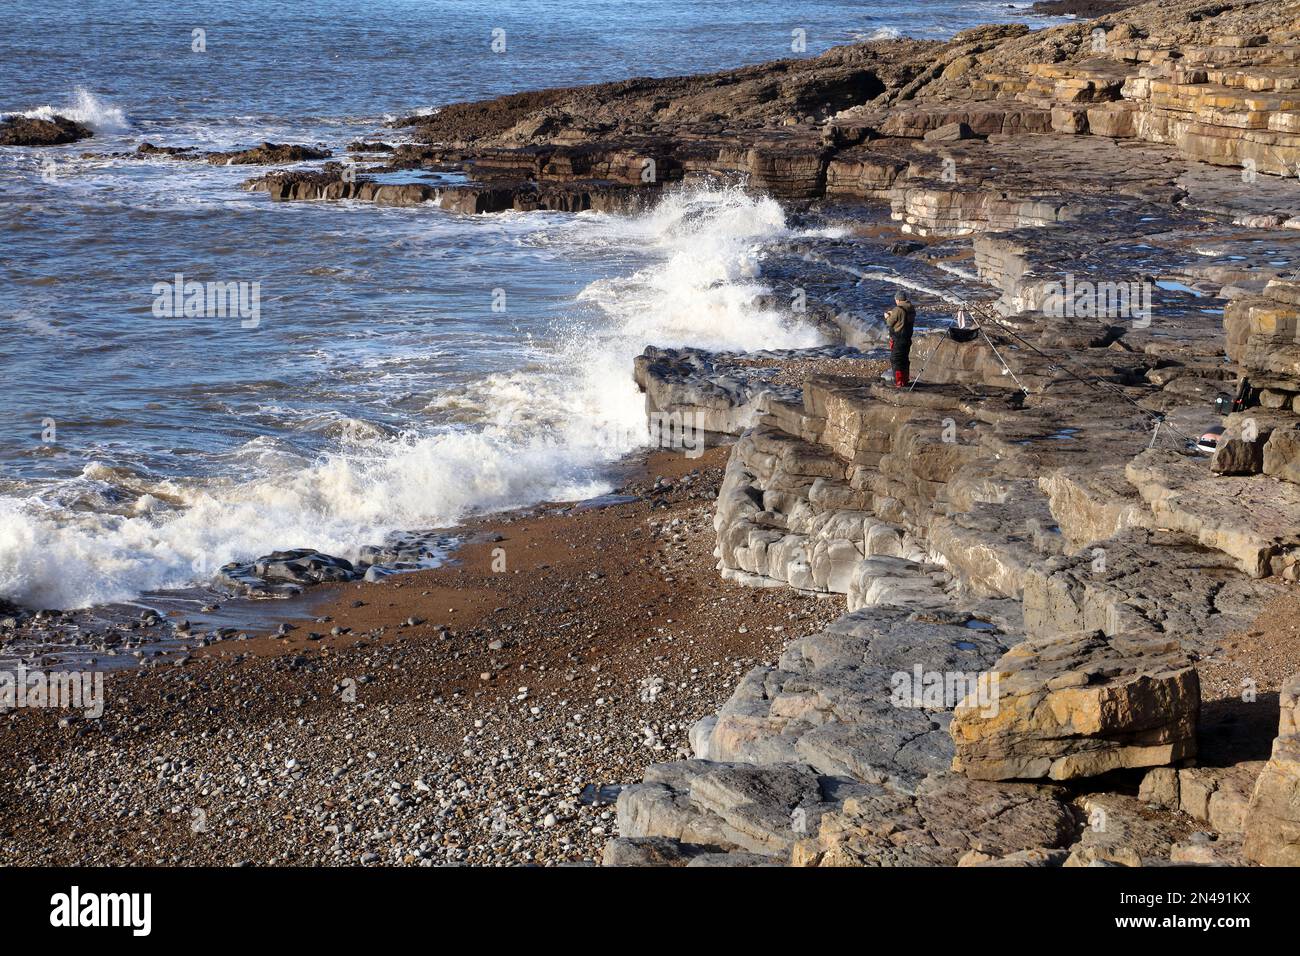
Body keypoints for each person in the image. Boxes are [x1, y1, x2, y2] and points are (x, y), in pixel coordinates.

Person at [883, 291, 915, 388]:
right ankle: (905, 380)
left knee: (896, 359)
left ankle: (898, 382)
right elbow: (902, 317)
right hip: (907, 338)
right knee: (904, 359)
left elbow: (890, 323)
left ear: (898, 299)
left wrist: (887, 316)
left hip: (899, 338)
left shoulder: (898, 309)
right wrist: (894, 313)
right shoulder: (911, 308)